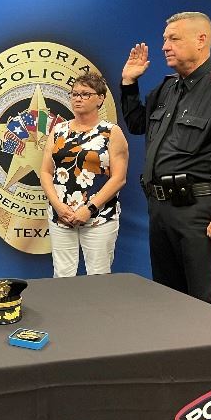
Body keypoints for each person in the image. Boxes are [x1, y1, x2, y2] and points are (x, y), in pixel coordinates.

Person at [120, 12, 211, 310]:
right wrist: (129, 84)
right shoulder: (168, 88)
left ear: (201, 40)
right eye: (164, 40)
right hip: (162, 211)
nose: (165, 46)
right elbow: (136, 124)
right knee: (168, 298)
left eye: (174, 39)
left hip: (200, 213)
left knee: (207, 300)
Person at [40, 72, 128, 277]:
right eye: (74, 94)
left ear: (100, 98)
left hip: (99, 217)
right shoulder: (59, 130)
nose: (78, 98)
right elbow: (45, 172)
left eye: (85, 94)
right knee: (62, 275)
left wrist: (89, 209)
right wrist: (58, 206)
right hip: (61, 216)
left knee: (98, 276)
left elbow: (119, 178)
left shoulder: (111, 132)